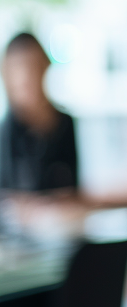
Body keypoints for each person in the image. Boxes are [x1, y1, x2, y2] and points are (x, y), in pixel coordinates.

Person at [0, 33, 78, 195]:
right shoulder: (6, 132)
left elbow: (74, 190)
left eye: (32, 67)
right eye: (19, 68)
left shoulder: (65, 123)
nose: (26, 77)